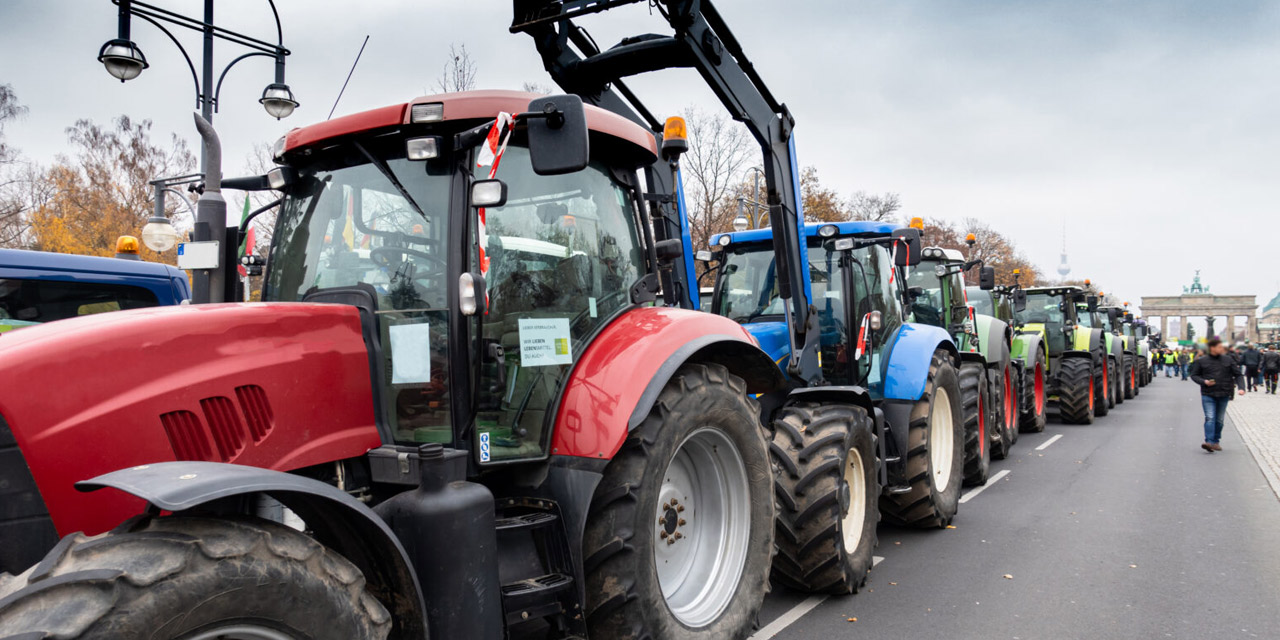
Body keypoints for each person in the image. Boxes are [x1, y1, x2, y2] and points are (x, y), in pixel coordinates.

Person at [1189, 338, 1245, 452]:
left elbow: (1238, 374)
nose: (1222, 349)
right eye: (1219, 347)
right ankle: (1209, 442)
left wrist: (1241, 388)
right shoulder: (1202, 361)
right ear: (1212, 348)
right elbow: (1194, 375)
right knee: (1210, 418)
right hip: (1208, 393)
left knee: (1219, 420)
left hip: (1224, 392)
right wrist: (1204, 382)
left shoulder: (1228, 360)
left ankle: (1216, 441)